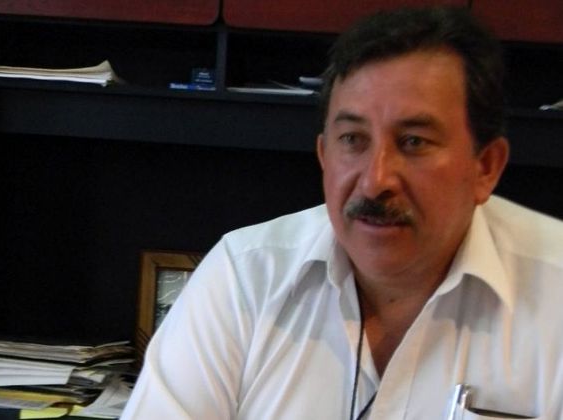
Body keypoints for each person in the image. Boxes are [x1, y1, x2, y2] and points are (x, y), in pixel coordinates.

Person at [121, 6, 563, 419]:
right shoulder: (245, 277)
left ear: (486, 167)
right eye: (353, 140)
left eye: (414, 142)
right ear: (323, 155)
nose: (375, 181)